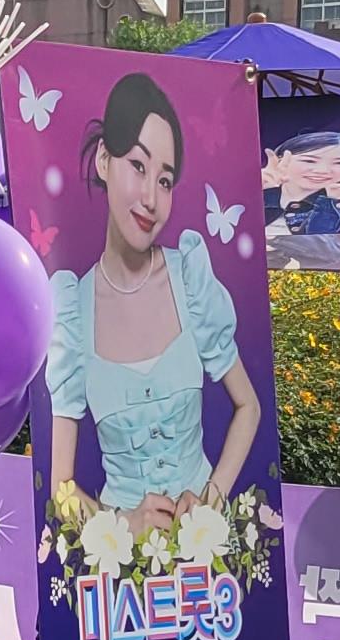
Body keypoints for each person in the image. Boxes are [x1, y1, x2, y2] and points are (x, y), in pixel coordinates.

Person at [45, 74, 263, 532]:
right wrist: (126, 524)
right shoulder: (70, 311)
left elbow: (249, 407)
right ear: (104, 160)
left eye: (165, 180)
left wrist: (211, 500)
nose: (151, 199)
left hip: (207, 553)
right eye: (138, 166)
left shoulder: (191, 280)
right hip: (119, 564)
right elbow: (61, 490)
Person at [262, 125, 340, 237]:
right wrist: (254, 190)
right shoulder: (259, 194)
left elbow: (324, 250)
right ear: (280, 159)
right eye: (309, 160)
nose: (322, 170)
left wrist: (336, 204)